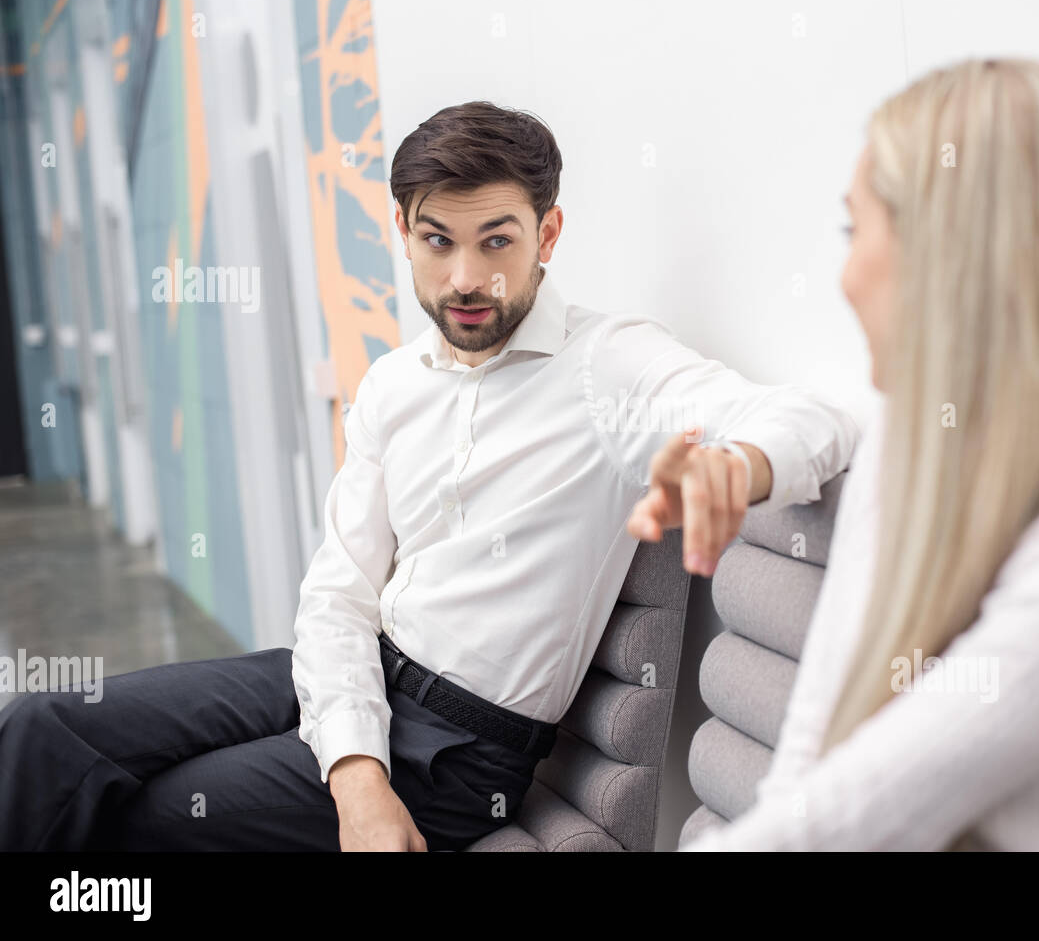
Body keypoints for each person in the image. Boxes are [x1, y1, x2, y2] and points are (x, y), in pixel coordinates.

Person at [0, 101, 858, 852]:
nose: (465, 279)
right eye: (436, 241)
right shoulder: (393, 386)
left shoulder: (609, 365)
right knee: (42, 729)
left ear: (547, 234)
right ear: (403, 232)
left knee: (152, 821)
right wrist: (355, 769)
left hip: (458, 750)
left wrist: (738, 467)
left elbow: (815, 419)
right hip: (349, 670)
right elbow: (338, 596)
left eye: (498, 241)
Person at [679, 58, 1039, 851]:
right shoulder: (909, 454)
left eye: (853, 229)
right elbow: (804, 781)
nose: (843, 276)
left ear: (952, 261)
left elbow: (825, 834)